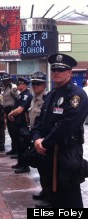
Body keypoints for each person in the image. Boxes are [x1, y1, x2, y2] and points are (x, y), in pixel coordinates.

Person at [32, 53, 88, 208]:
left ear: (70, 73)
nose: (56, 72)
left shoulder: (76, 95)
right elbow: (39, 120)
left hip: (66, 153)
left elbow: (67, 125)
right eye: (54, 69)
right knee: (52, 192)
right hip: (48, 152)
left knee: (70, 196)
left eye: (61, 70)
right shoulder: (51, 95)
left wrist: (45, 142)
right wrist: (36, 138)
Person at [27, 72, 51, 208]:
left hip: (43, 139)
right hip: (35, 135)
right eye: (33, 83)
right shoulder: (34, 97)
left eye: (38, 83)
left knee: (47, 170)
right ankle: (44, 191)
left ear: (44, 84)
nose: (35, 86)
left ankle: (49, 198)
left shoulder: (47, 98)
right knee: (41, 169)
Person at [9, 77, 33, 174]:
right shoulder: (21, 95)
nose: (17, 85)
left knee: (23, 146)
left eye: (19, 83)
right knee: (19, 145)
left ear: (24, 84)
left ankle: (25, 166)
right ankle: (20, 163)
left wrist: (10, 114)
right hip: (18, 123)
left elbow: (20, 110)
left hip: (23, 124)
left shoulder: (26, 95)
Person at [1, 73, 20, 158]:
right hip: (7, 111)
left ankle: (17, 151)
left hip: (13, 112)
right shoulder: (5, 88)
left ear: (9, 80)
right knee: (11, 131)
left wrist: (13, 111)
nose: (4, 82)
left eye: (6, 80)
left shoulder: (13, 88)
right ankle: (14, 149)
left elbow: (18, 99)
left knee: (15, 132)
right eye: (3, 80)